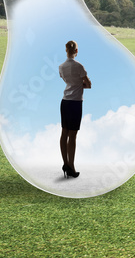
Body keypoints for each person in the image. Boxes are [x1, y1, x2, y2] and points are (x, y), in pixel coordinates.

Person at [58, 40, 90, 178]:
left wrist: (74, 84)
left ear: (66, 50)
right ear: (76, 51)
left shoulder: (61, 67)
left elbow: (67, 81)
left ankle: (65, 164)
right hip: (76, 103)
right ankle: (71, 166)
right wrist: (80, 84)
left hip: (65, 102)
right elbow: (88, 84)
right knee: (73, 136)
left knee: (64, 133)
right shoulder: (79, 66)